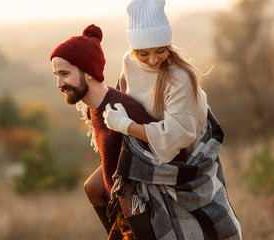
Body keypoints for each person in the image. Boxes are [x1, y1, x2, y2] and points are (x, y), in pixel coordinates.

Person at [101, 0, 242, 239]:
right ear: (134, 50)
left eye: (161, 50)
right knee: (95, 189)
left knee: (130, 200)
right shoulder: (129, 62)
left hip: (182, 156)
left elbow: (174, 136)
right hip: (145, 144)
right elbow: (124, 94)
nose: (154, 60)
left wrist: (125, 125)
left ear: (168, 44)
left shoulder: (179, 78)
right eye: (144, 53)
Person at [50, 24, 180, 239]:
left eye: (64, 74)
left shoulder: (121, 108)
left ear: (89, 72)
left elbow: (170, 149)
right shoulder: (93, 108)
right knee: (91, 187)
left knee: (127, 199)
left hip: (143, 203)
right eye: (57, 75)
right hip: (119, 201)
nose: (59, 83)